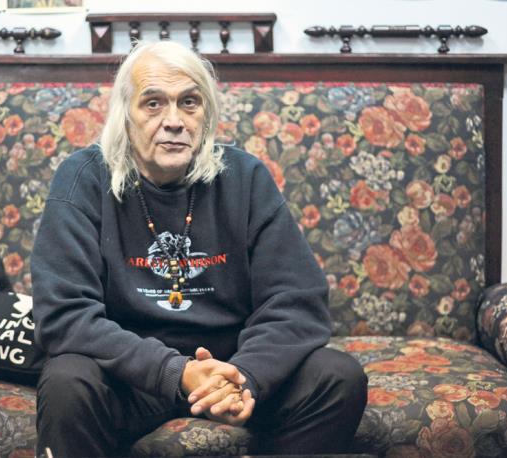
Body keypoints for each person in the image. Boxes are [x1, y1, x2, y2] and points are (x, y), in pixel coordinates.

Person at [31, 40, 367, 457]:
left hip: (232, 369)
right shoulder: (83, 178)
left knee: (337, 376)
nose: (174, 121)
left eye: (189, 102)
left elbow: (298, 301)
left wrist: (243, 377)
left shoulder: (245, 177)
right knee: (67, 380)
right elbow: (64, 315)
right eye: (153, 103)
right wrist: (177, 371)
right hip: (130, 375)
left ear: (206, 115)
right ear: (125, 115)